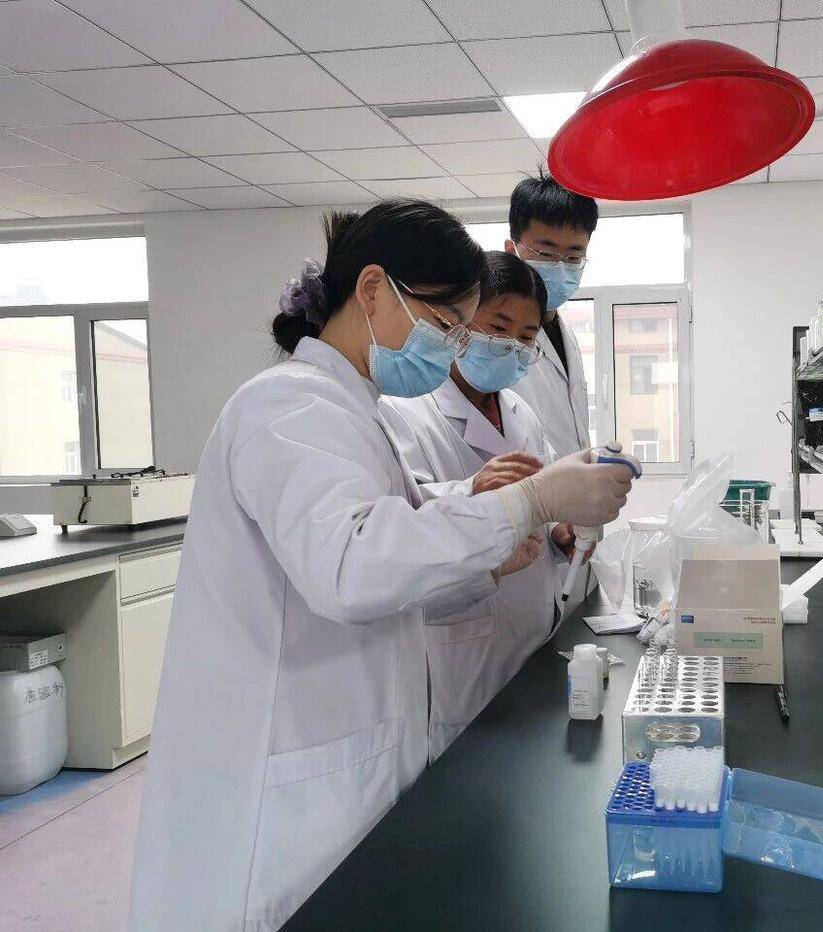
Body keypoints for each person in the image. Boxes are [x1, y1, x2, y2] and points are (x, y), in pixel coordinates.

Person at [129, 200, 634, 932]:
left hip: (351, 766)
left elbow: (400, 537)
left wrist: (497, 534)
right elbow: (350, 566)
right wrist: (530, 501)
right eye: (445, 323)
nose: (451, 345)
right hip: (283, 802)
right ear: (372, 290)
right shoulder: (287, 406)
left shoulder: (350, 410)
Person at [380, 251, 576, 759]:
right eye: (498, 326)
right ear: (461, 322)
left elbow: (541, 501)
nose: (511, 346)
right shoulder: (405, 412)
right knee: (472, 777)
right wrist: (471, 490)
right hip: (464, 648)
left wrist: (560, 533)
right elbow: (400, 524)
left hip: (533, 635)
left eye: (527, 337)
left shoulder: (521, 411)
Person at [505, 170, 596, 460]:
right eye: (546, 254)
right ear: (512, 250)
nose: (560, 266)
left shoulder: (565, 334)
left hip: (572, 483)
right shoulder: (493, 336)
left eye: (573, 257)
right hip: (526, 483)